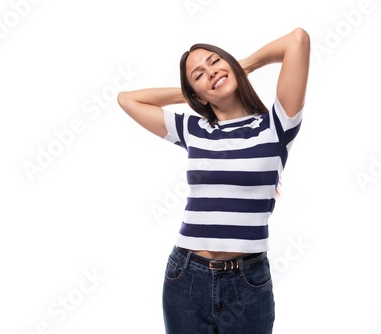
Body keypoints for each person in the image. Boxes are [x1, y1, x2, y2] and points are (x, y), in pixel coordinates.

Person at [118, 27, 310, 334]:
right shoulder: (194, 129)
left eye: (215, 61)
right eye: (198, 74)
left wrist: (242, 65)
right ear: (196, 94)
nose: (211, 71)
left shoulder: (276, 126)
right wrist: (191, 95)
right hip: (186, 276)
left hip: (248, 283)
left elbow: (297, 39)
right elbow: (127, 100)